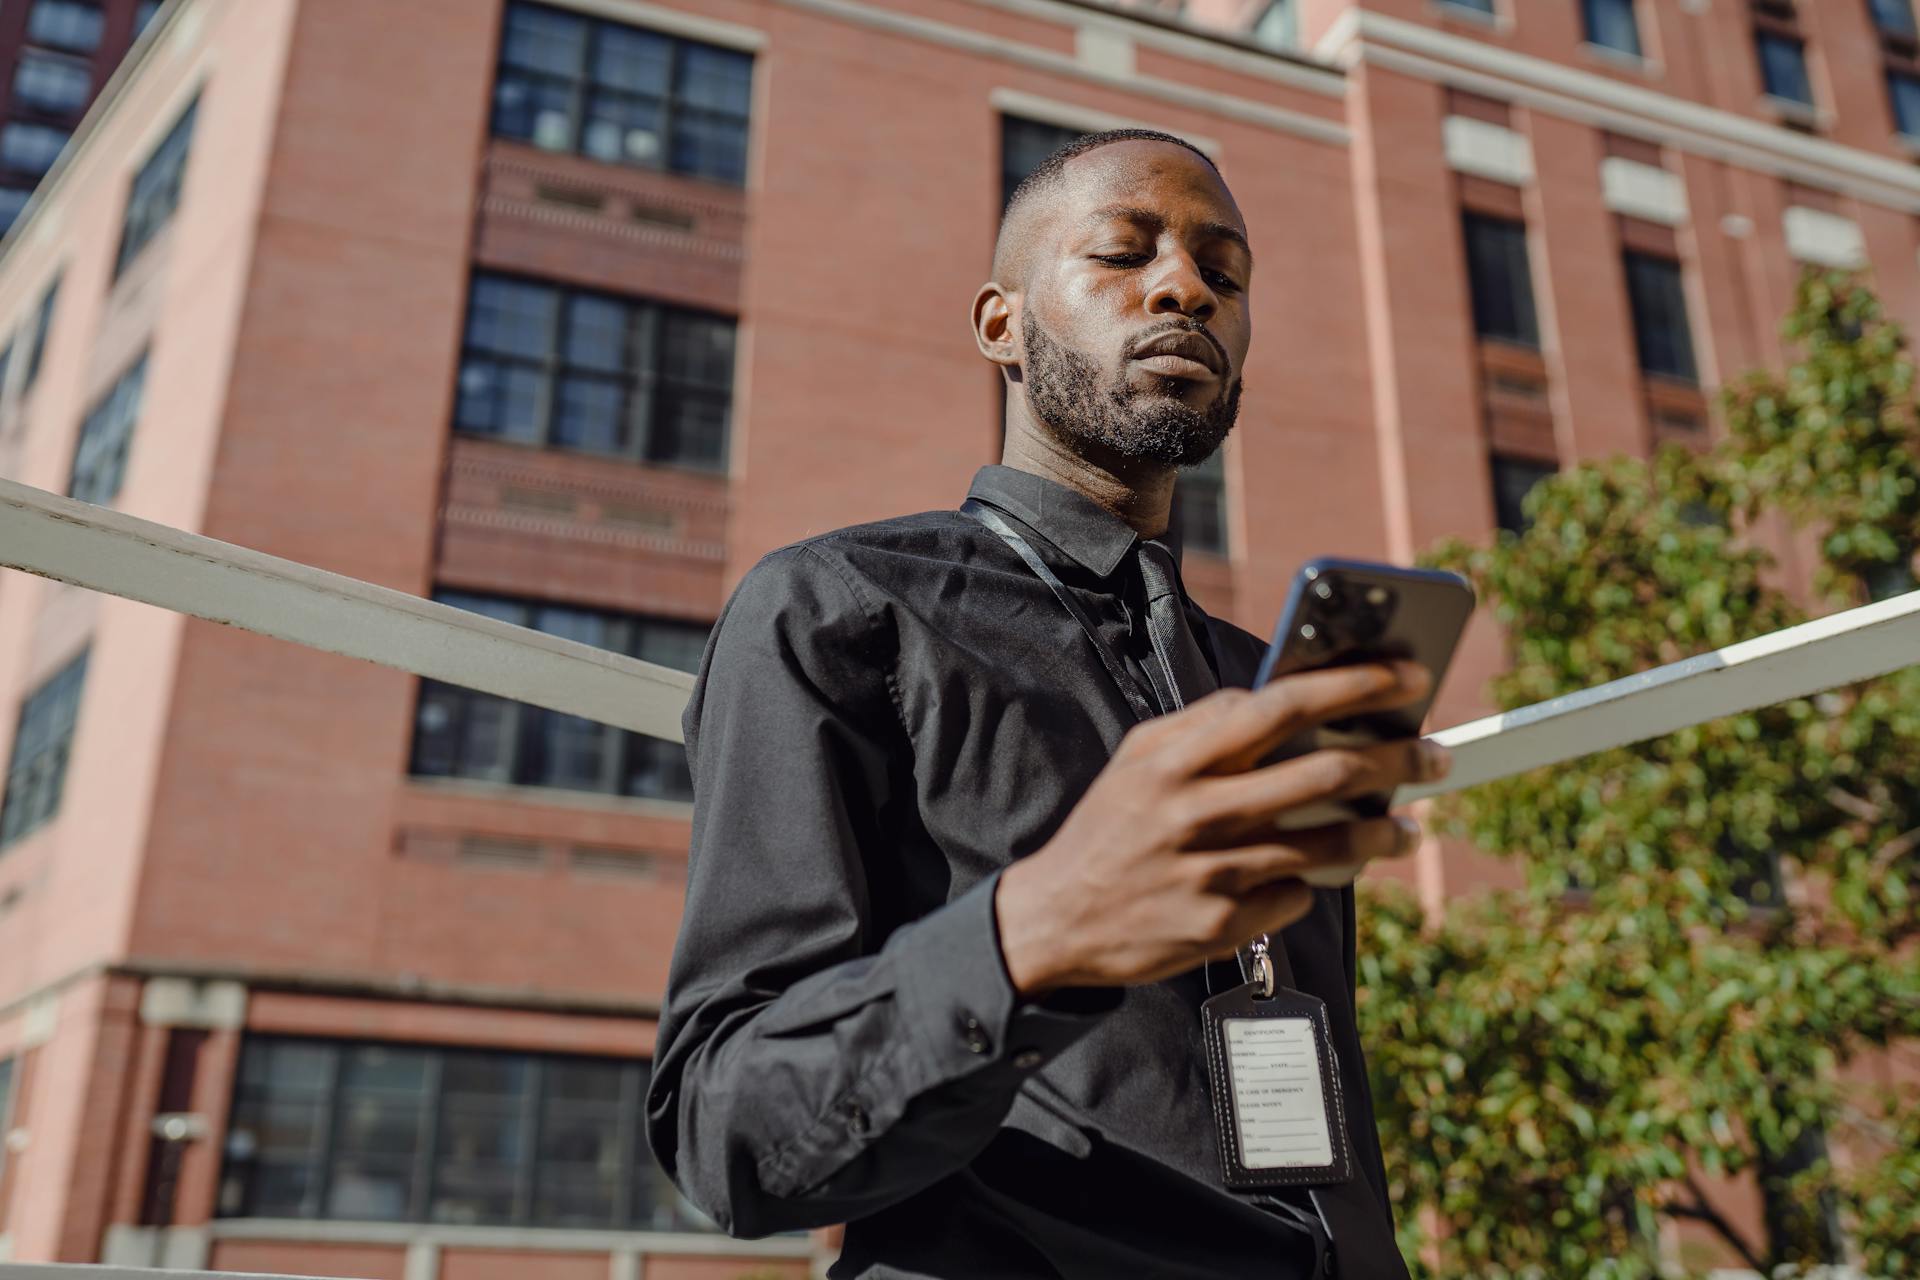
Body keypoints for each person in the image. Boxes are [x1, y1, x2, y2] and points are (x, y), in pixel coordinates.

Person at [645, 129, 1451, 1279]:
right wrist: (1032, 939)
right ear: (1001, 325)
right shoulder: (839, 607)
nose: (1186, 288)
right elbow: (724, 1132)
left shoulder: (1261, 682)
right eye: (1124, 254)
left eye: (1226, 276)